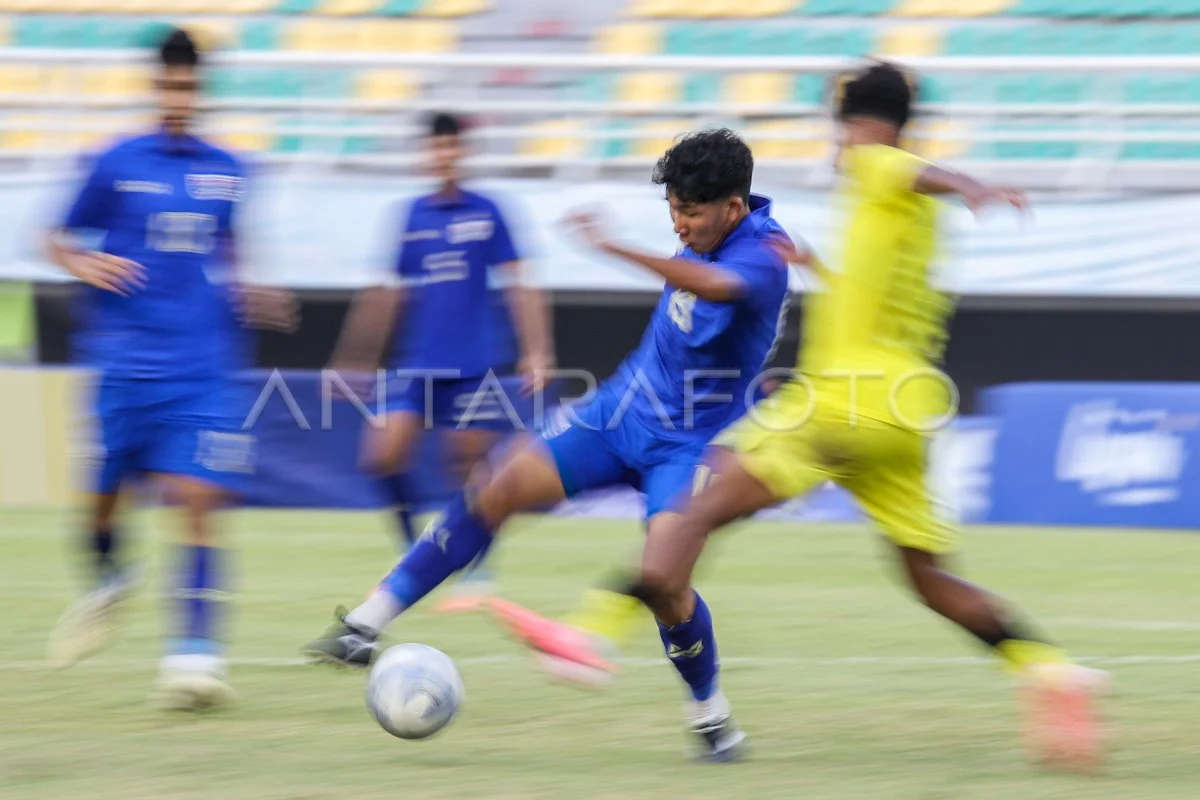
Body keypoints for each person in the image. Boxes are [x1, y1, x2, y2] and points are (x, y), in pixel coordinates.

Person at [503, 63, 1108, 771]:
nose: (835, 146)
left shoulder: (877, 165)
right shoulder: (898, 223)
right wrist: (819, 264)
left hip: (839, 401)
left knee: (694, 509)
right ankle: (1048, 667)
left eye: (836, 127)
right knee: (930, 577)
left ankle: (590, 633)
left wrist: (970, 184)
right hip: (905, 415)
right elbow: (880, 286)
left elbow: (907, 169)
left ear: (850, 122)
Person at [304, 127, 791, 762]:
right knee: (495, 486)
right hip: (615, 413)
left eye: (690, 213)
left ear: (733, 207)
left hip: (685, 447)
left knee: (665, 585)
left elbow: (720, 287)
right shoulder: (707, 228)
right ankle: (364, 625)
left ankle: (710, 717)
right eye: (670, 209)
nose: (678, 226)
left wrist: (616, 246)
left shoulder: (766, 253)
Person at [45, 28, 292, 710]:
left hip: (203, 365)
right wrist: (81, 262)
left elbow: (233, 245)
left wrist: (251, 289)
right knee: (99, 506)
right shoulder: (114, 162)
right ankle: (110, 577)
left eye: (190, 85)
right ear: (156, 86)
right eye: (170, 85)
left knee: (198, 502)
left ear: (200, 89)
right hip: (124, 364)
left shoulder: (229, 169)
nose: (180, 96)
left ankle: (194, 659)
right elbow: (54, 236)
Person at [328, 111, 553, 611]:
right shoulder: (411, 216)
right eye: (436, 148)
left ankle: (480, 570)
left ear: (462, 152)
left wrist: (537, 350)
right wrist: (354, 359)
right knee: (380, 456)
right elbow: (387, 293)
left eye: (451, 147)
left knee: (470, 470)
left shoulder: (489, 212)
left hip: (473, 363)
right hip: (417, 364)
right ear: (426, 154)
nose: (444, 156)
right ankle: (415, 551)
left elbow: (520, 281)